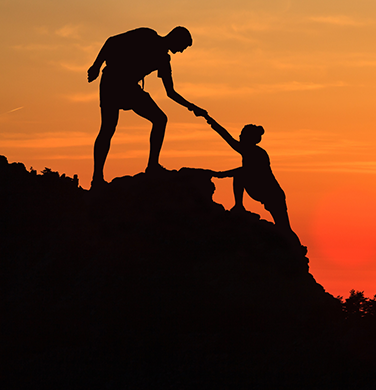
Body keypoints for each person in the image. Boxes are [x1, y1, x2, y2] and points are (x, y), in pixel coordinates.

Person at [87, 26, 207, 188]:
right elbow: (111, 41)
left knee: (160, 119)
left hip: (130, 88)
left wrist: (192, 107)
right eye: (182, 47)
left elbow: (170, 92)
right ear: (175, 39)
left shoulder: (164, 61)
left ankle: (152, 166)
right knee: (108, 128)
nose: (181, 52)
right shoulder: (147, 35)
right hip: (112, 81)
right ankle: (97, 178)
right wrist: (96, 66)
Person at [205, 114, 305, 254]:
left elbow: (244, 169)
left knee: (283, 226)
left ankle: (297, 250)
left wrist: (220, 174)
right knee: (282, 226)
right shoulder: (248, 150)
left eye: (242, 134)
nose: (239, 136)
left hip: (272, 194)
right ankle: (239, 205)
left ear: (249, 138)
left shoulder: (257, 153)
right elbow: (226, 137)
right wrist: (209, 120)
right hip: (260, 189)